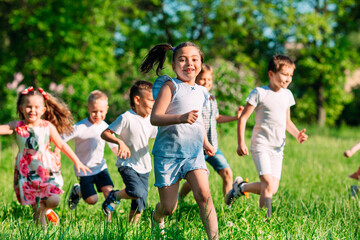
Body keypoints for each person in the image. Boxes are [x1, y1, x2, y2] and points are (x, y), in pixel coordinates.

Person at [139, 42, 218, 239]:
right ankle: (157, 217)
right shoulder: (170, 86)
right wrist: (180, 117)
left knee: (203, 195)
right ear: (174, 66)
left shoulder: (200, 91)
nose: (188, 63)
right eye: (182, 60)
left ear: (200, 63)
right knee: (168, 207)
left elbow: (197, 119)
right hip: (168, 155)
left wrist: (206, 143)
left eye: (194, 59)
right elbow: (155, 117)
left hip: (193, 154)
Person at [227, 55, 308, 218]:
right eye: (284, 74)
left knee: (272, 188)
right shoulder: (260, 93)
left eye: (291, 75)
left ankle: (240, 188)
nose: (288, 79)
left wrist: (297, 134)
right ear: (271, 74)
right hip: (261, 145)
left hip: (278, 148)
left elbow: (287, 121)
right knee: (267, 184)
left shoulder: (287, 95)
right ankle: (265, 222)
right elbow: (243, 118)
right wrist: (240, 142)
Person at [0, 87, 90, 228]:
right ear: (22, 108)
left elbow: (61, 144)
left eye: (36, 107)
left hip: (46, 169)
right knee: (37, 206)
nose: (32, 110)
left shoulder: (47, 126)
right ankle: (42, 234)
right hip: (26, 172)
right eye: (28, 107)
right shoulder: (17, 126)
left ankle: (48, 210)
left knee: (53, 201)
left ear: (43, 110)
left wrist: (77, 161)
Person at [178, 64, 244, 203]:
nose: (206, 82)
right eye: (202, 79)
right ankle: (179, 199)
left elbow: (216, 118)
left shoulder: (212, 98)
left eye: (209, 79)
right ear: (195, 79)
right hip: (197, 147)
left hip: (213, 146)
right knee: (195, 180)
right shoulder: (194, 97)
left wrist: (235, 118)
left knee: (227, 173)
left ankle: (228, 204)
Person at [101, 81, 157, 225]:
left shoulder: (151, 120)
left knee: (140, 203)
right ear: (137, 100)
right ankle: (114, 196)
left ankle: (130, 228)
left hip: (145, 166)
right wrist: (120, 142)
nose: (154, 103)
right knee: (136, 191)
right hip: (127, 163)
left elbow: (159, 134)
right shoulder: (126, 118)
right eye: (151, 100)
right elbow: (105, 133)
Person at [55, 90, 118, 215]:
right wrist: (57, 150)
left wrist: (121, 156)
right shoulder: (80, 127)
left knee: (109, 193)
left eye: (101, 111)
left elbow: (114, 145)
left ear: (106, 109)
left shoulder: (106, 127)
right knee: (92, 200)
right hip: (84, 169)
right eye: (94, 111)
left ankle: (108, 222)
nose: (98, 114)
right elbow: (61, 139)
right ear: (88, 109)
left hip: (100, 167)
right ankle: (78, 191)